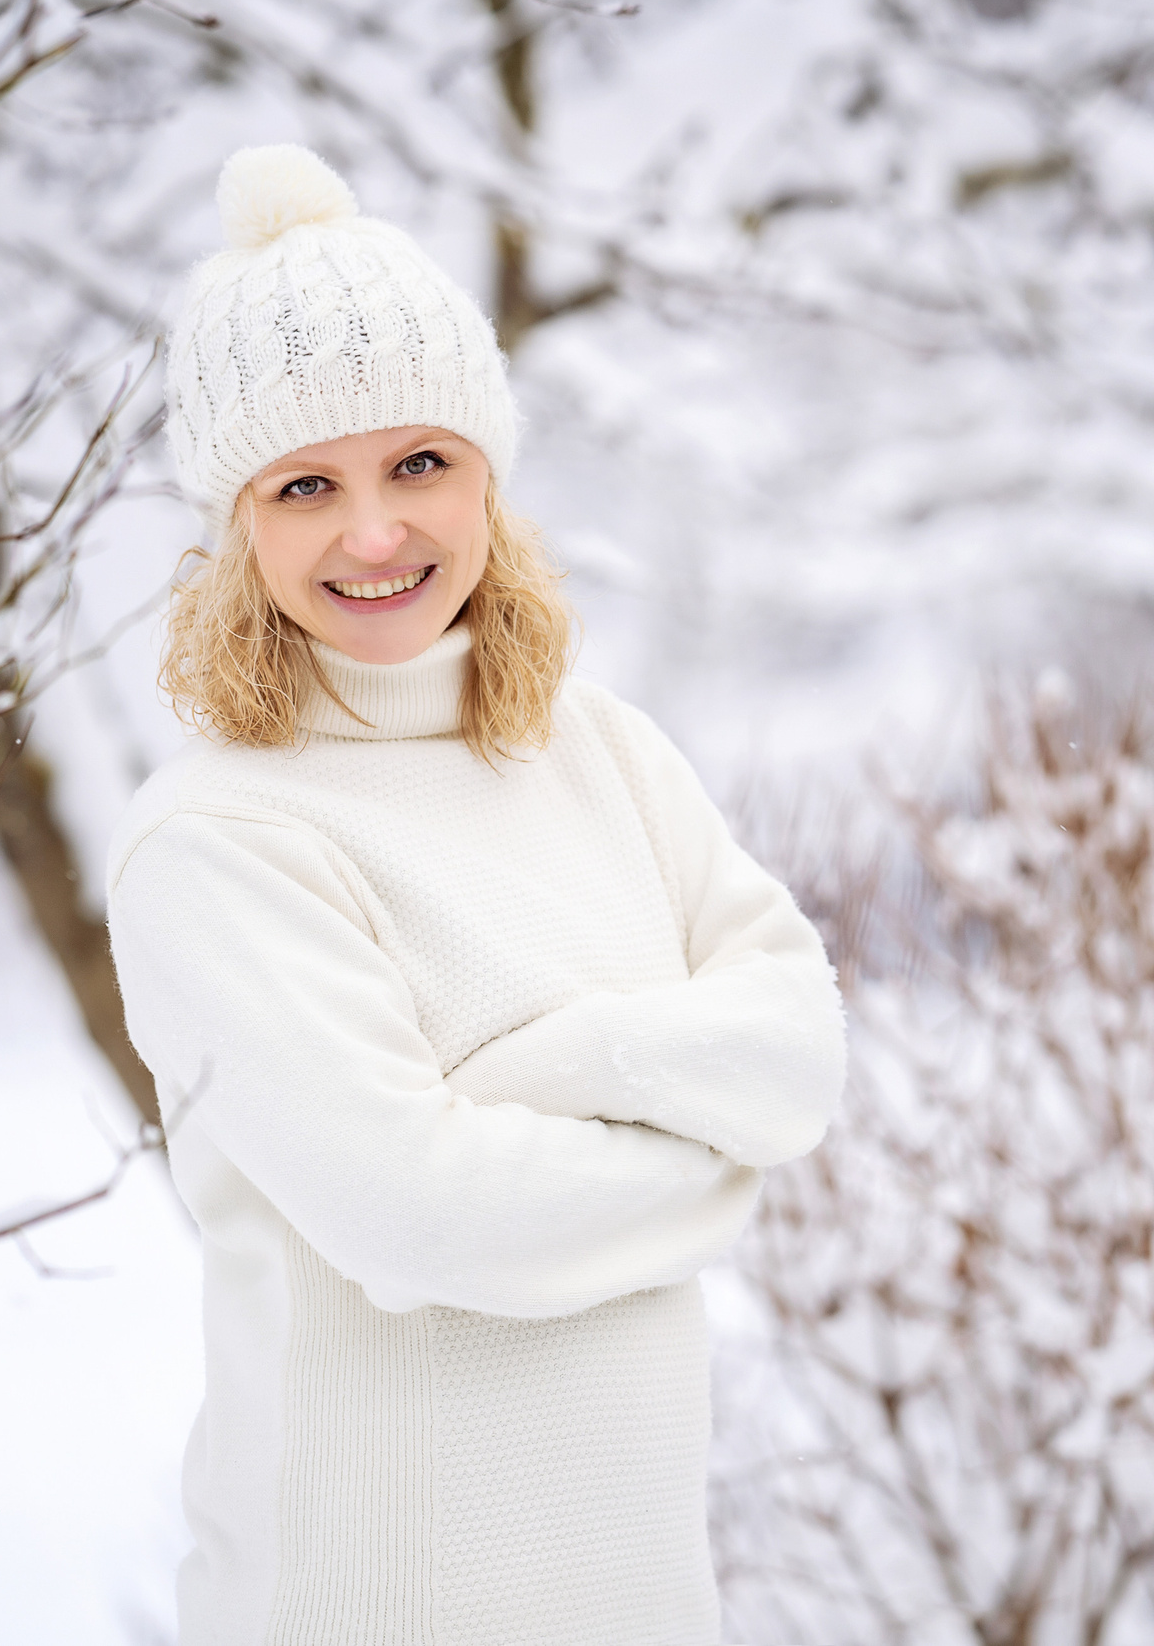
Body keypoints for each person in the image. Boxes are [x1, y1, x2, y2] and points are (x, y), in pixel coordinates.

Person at [104, 145, 847, 1646]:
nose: (375, 533)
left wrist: (546, 1076)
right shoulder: (220, 839)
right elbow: (420, 1218)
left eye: (419, 464)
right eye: (306, 484)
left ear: (489, 478)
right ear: (236, 527)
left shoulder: (607, 755)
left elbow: (801, 1051)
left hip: (641, 1601)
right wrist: (708, 1159)